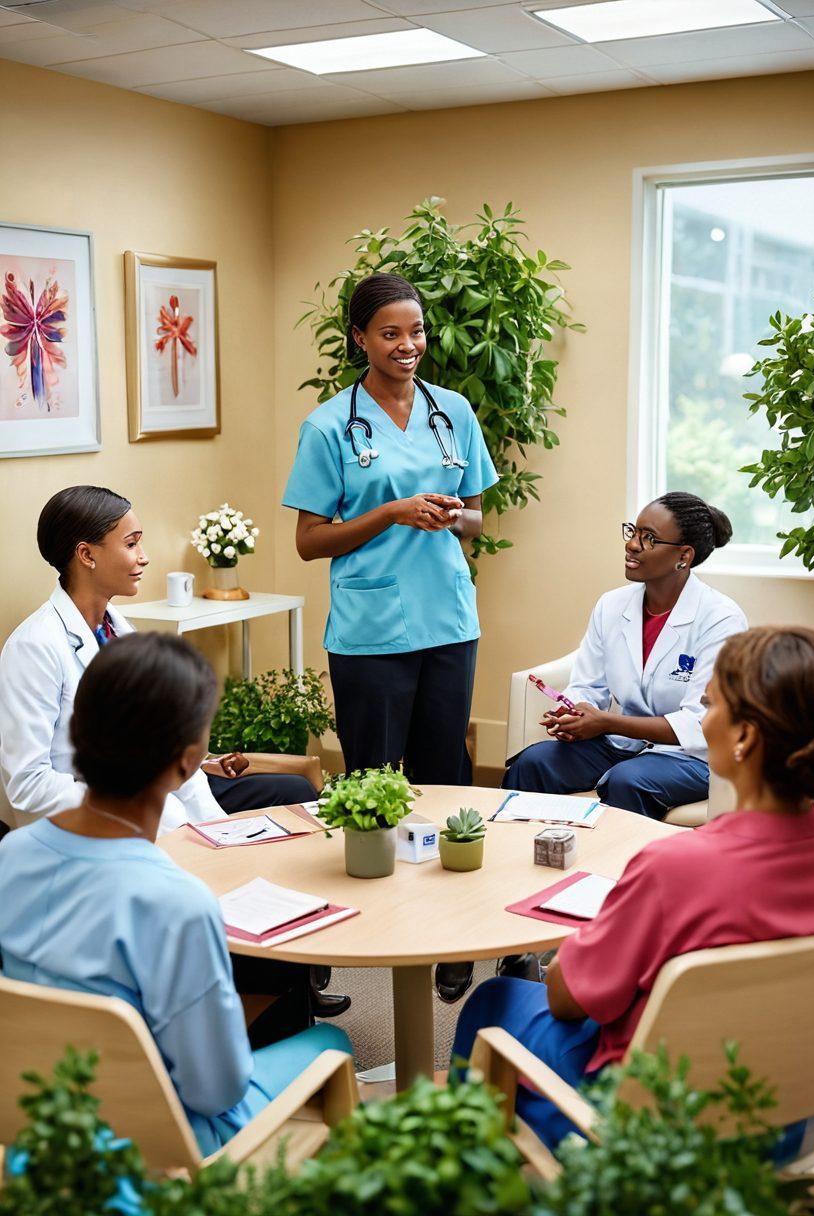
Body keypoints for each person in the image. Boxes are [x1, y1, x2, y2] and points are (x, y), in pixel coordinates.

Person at [454, 625, 814, 1152]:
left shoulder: (674, 868)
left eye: (709, 707)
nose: (704, 721)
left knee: (493, 1001)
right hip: (790, 1122)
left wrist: (580, 950)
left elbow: (567, 1001)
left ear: (744, 737)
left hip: (651, 1129)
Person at [0, 485, 348, 1018]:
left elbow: (162, 743)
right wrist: (157, 815)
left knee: (288, 797)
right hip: (100, 818)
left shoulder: (121, 628)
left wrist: (209, 830)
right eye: (132, 543)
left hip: (153, 799)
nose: (144, 557)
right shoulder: (35, 647)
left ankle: (292, 973)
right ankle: (275, 996)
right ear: (86, 554)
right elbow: (26, 785)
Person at [0, 632, 352, 1155]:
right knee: (331, 1044)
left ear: (78, 733)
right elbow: (216, 1091)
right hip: (166, 1148)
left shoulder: (10, 856)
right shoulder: (178, 904)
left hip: (36, 1124)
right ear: (188, 762)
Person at [283, 272, 498, 1003]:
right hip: (372, 627)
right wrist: (391, 513)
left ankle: (453, 938)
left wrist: (448, 516)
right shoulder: (327, 426)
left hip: (446, 618)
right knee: (373, 780)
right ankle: (371, 926)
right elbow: (311, 542)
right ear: (360, 339)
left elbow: (475, 516)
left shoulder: (453, 410)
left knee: (445, 774)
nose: (409, 346)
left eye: (417, 332)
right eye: (391, 333)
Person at [505, 492, 747, 819]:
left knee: (628, 781)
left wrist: (605, 722)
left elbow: (698, 724)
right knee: (532, 764)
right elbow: (588, 685)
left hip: (689, 757)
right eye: (632, 532)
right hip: (621, 745)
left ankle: (616, 871)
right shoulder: (612, 605)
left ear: (684, 556)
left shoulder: (720, 619)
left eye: (648, 538)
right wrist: (573, 712)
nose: (632, 545)